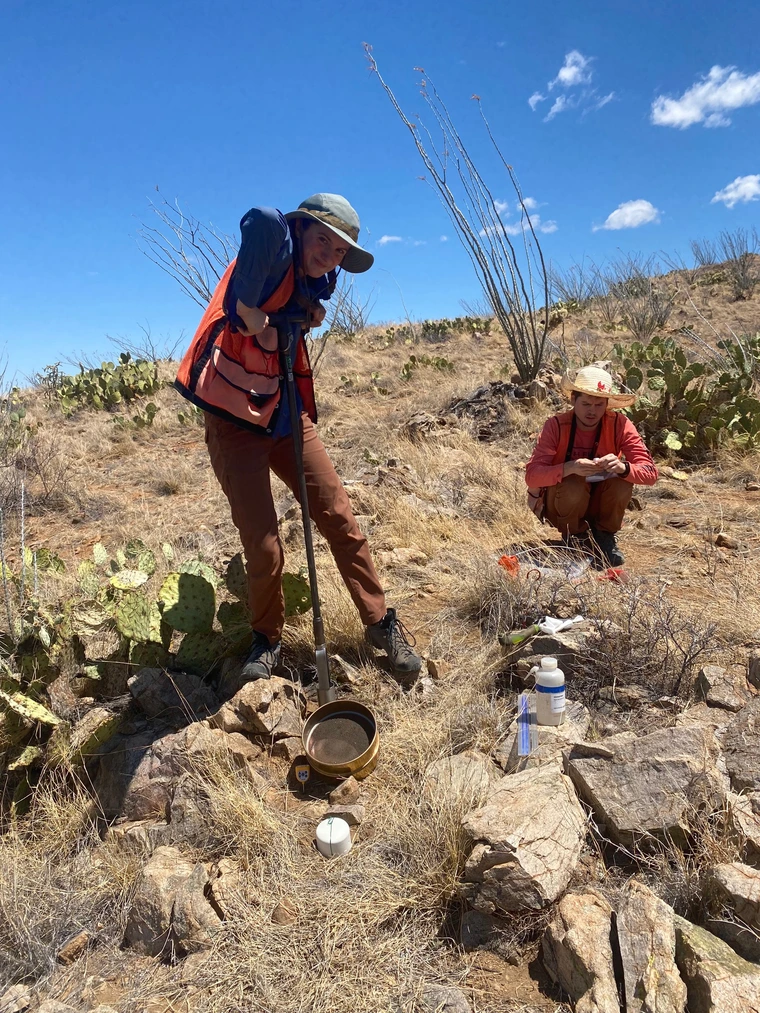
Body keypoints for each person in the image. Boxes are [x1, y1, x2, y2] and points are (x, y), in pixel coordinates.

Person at [175, 193, 422, 697]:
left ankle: (379, 623)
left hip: (285, 412)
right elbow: (261, 222)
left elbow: (302, 308)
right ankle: (266, 639)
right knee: (263, 545)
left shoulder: (315, 281)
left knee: (339, 517)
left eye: (338, 252)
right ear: (301, 230)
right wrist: (252, 315)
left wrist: (299, 317)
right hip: (234, 421)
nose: (328, 256)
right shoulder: (270, 258)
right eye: (322, 241)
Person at [525, 365, 658, 567]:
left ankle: (604, 537)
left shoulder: (620, 424)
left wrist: (623, 468)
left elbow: (650, 474)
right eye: (586, 404)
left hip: (600, 502)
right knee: (573, 483)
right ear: (573, 400)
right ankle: (574, 538)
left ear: (607, 404)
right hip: (562, 506)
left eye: (598, 405)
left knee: (622, 481)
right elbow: (533, 476)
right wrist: (569, 467)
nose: (592, 411)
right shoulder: (556, 425)